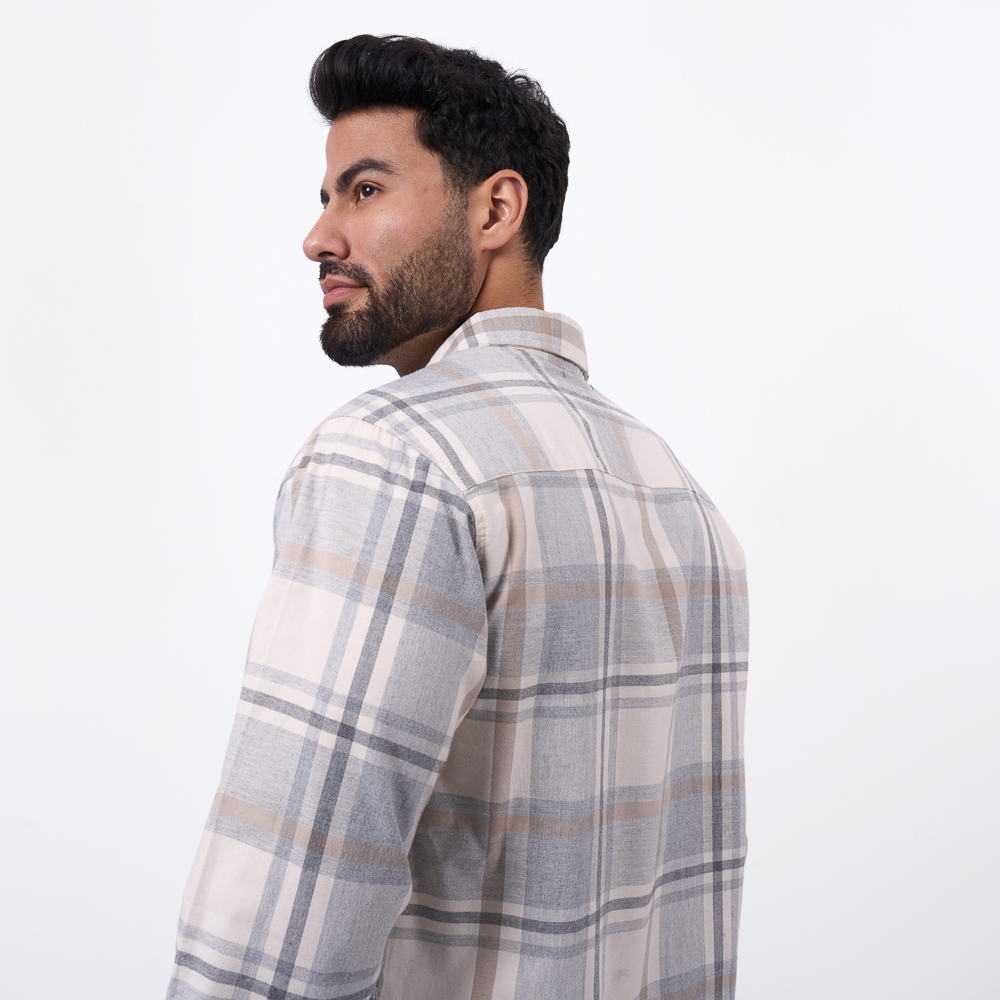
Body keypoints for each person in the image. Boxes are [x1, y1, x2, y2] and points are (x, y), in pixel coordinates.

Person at [167, 34, 748, 1000]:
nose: (318, 238)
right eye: (326, 197)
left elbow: (283, 925)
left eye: (364, 190)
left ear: (495, 210)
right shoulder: (677, 495)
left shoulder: (394, 458)